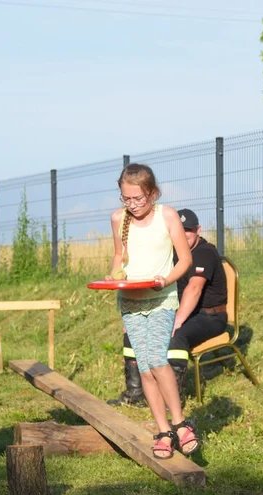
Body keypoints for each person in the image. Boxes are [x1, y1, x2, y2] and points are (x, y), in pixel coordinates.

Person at [108, 163, 199, 459]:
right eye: (126, 199)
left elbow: (183, 260)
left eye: (138, 199)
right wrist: (115, 275)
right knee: (145, 368)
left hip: (161, 299)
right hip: (131, 302)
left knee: (159, 361)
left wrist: (166, 280)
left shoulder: (167, 215)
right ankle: (163, 432)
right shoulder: (118, 219)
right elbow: (119, 257)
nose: (132, 205)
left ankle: (180, 424)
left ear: (153, 193)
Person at [111, 209, 228, 406]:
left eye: (188, 230)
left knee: (175, 336)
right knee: (131, 332)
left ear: (198, 230)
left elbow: (194, 289)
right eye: (180, 231)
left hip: (210, 316)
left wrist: (177, 321)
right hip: (178, 309)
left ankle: (171, 399)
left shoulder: (205, 252)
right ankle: (135, 394)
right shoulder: (169, 253)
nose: (184, 235)